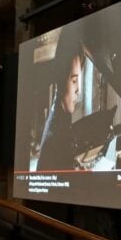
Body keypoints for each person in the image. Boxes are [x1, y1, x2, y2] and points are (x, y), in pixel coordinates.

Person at [36, 42, 85, 171]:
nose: (78, 90)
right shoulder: (54, 138)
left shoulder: (60, 109)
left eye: (78, 81)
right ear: (61, 80)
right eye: (74, 81)